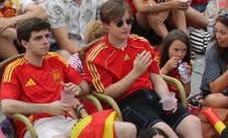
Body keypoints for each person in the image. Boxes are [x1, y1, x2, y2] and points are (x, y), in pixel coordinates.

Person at [2, 17, 137, 138]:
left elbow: (84, 85)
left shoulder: (56, 59)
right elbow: (7, 106)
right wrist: (46, 108)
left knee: (128, 129)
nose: (45, 42)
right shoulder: (14, 69)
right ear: (25, 43)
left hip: (69, 120)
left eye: (47, 36)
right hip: (37, 125)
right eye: (38, 38)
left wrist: (77, 89)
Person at [83, 0, 201, 137]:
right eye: (119, 23)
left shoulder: (141, 43)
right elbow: (107, 94)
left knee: (193, 122)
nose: (125, 26)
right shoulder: (95, 57)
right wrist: (135, 73)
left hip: (152, 95)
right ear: (106, 26)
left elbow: (157, 77)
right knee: (165, 132)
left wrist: (166, 97)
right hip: (126, 103)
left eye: (129, 21)